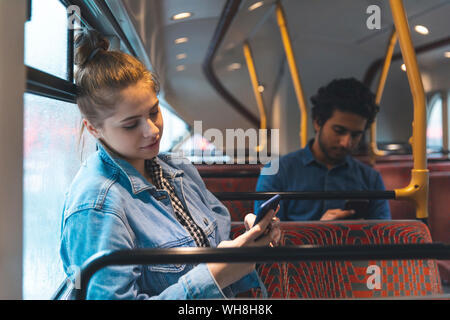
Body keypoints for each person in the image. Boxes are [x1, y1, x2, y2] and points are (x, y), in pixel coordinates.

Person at [60, 29, 280, 300]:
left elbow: (207, 239)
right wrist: (218, 274)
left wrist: (247, 236)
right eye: (131, 124)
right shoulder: (97, 207)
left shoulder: (177, 169)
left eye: (154, 112)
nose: (152, 131)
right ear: (93, 129)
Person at [255, 78, 391, 221]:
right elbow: (267, 238)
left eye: (356, 135)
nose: (346, 143)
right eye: (339, 131)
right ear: (318, 122)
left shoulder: (371, 179)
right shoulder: (276, 173)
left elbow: (383, 235)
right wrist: (321, 231)